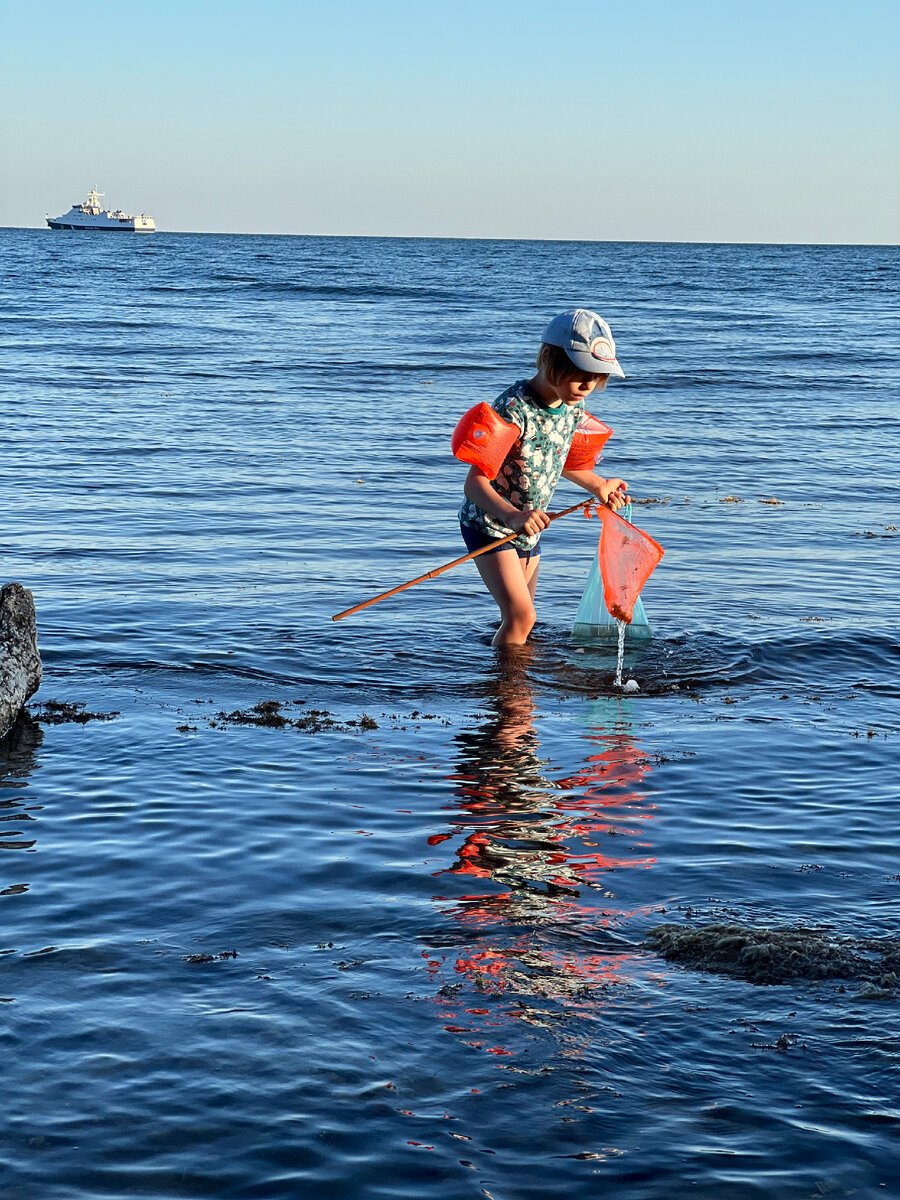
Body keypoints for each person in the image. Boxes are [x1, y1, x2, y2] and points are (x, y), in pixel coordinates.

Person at [458, 309, 628, 647]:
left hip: (528, 528)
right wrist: (511, 514)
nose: (587, 385)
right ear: (548, 358)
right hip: (490, 524)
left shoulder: (571, 407)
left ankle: (518, 682)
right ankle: (506, 689)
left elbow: (554, 457)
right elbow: (473, 483)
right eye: (578, 373)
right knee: (521, 617)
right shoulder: (514, 409)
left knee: (523, 620)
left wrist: (598, 485)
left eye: (596, 377)